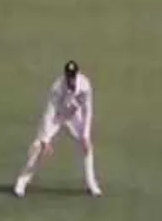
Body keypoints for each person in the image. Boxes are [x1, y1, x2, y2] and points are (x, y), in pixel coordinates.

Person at [13, 60, 101, 197]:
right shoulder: (57, 88)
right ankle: (22, 182)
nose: (70, 79)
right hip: (57, 117)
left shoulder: (85, 86)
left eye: (73, 76)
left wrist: (85, 136)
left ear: (77, 74)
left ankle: (92, 184)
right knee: (38, 148)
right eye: (68, 76)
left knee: (87, 147)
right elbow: (49, 113)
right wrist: (45, 140)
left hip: (73, 117)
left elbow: (87, 111)